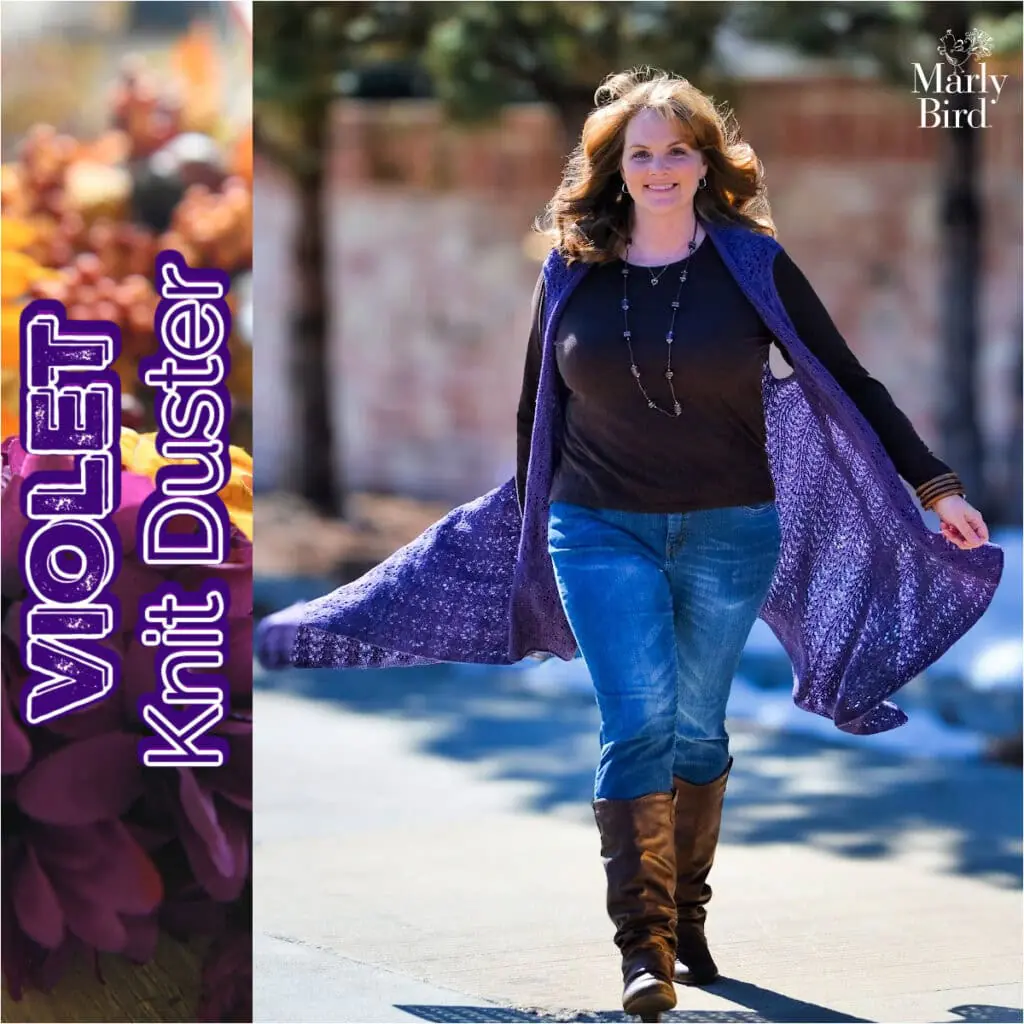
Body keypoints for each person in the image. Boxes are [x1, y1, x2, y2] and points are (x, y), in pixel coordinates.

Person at [257, 67, 1000, 1023]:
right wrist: (513, 540)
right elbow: (538, 412)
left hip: (733, 531)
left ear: (704, 162)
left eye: (675, 150)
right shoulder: (571, 268)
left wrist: (932, 484)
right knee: (637, 723)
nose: (658, 168)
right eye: (638, 153)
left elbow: (843, 377)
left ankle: (687, 915)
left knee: (698, 730)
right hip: (595, 525)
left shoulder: (753, 263)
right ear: (613, 169)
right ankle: (642, 952)